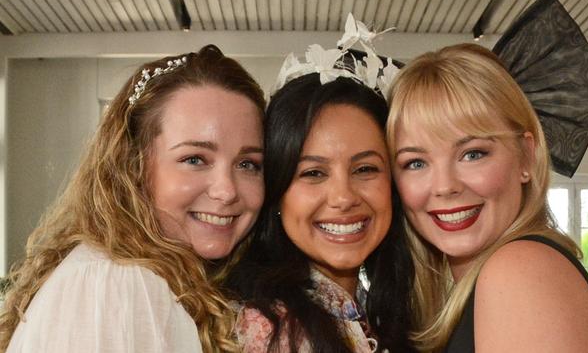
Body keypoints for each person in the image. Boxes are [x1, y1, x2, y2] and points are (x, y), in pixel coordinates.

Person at [0, 44, 265, 352]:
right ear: (133, 165)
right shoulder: (113, 285)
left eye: (248, 164)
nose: (227, 190)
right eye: (194, 159)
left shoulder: (165, 279)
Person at [386, 43, 588, 352]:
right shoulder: (488, 281)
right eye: (415, 163)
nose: (444, 186)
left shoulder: (517, 272)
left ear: (526, 155)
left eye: (472, 154)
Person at [226, 69, 414, 352]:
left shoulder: (377, 310)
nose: (343, 197)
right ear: (277, 192)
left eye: (365, 169)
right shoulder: (271, 330)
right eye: (313, 173)